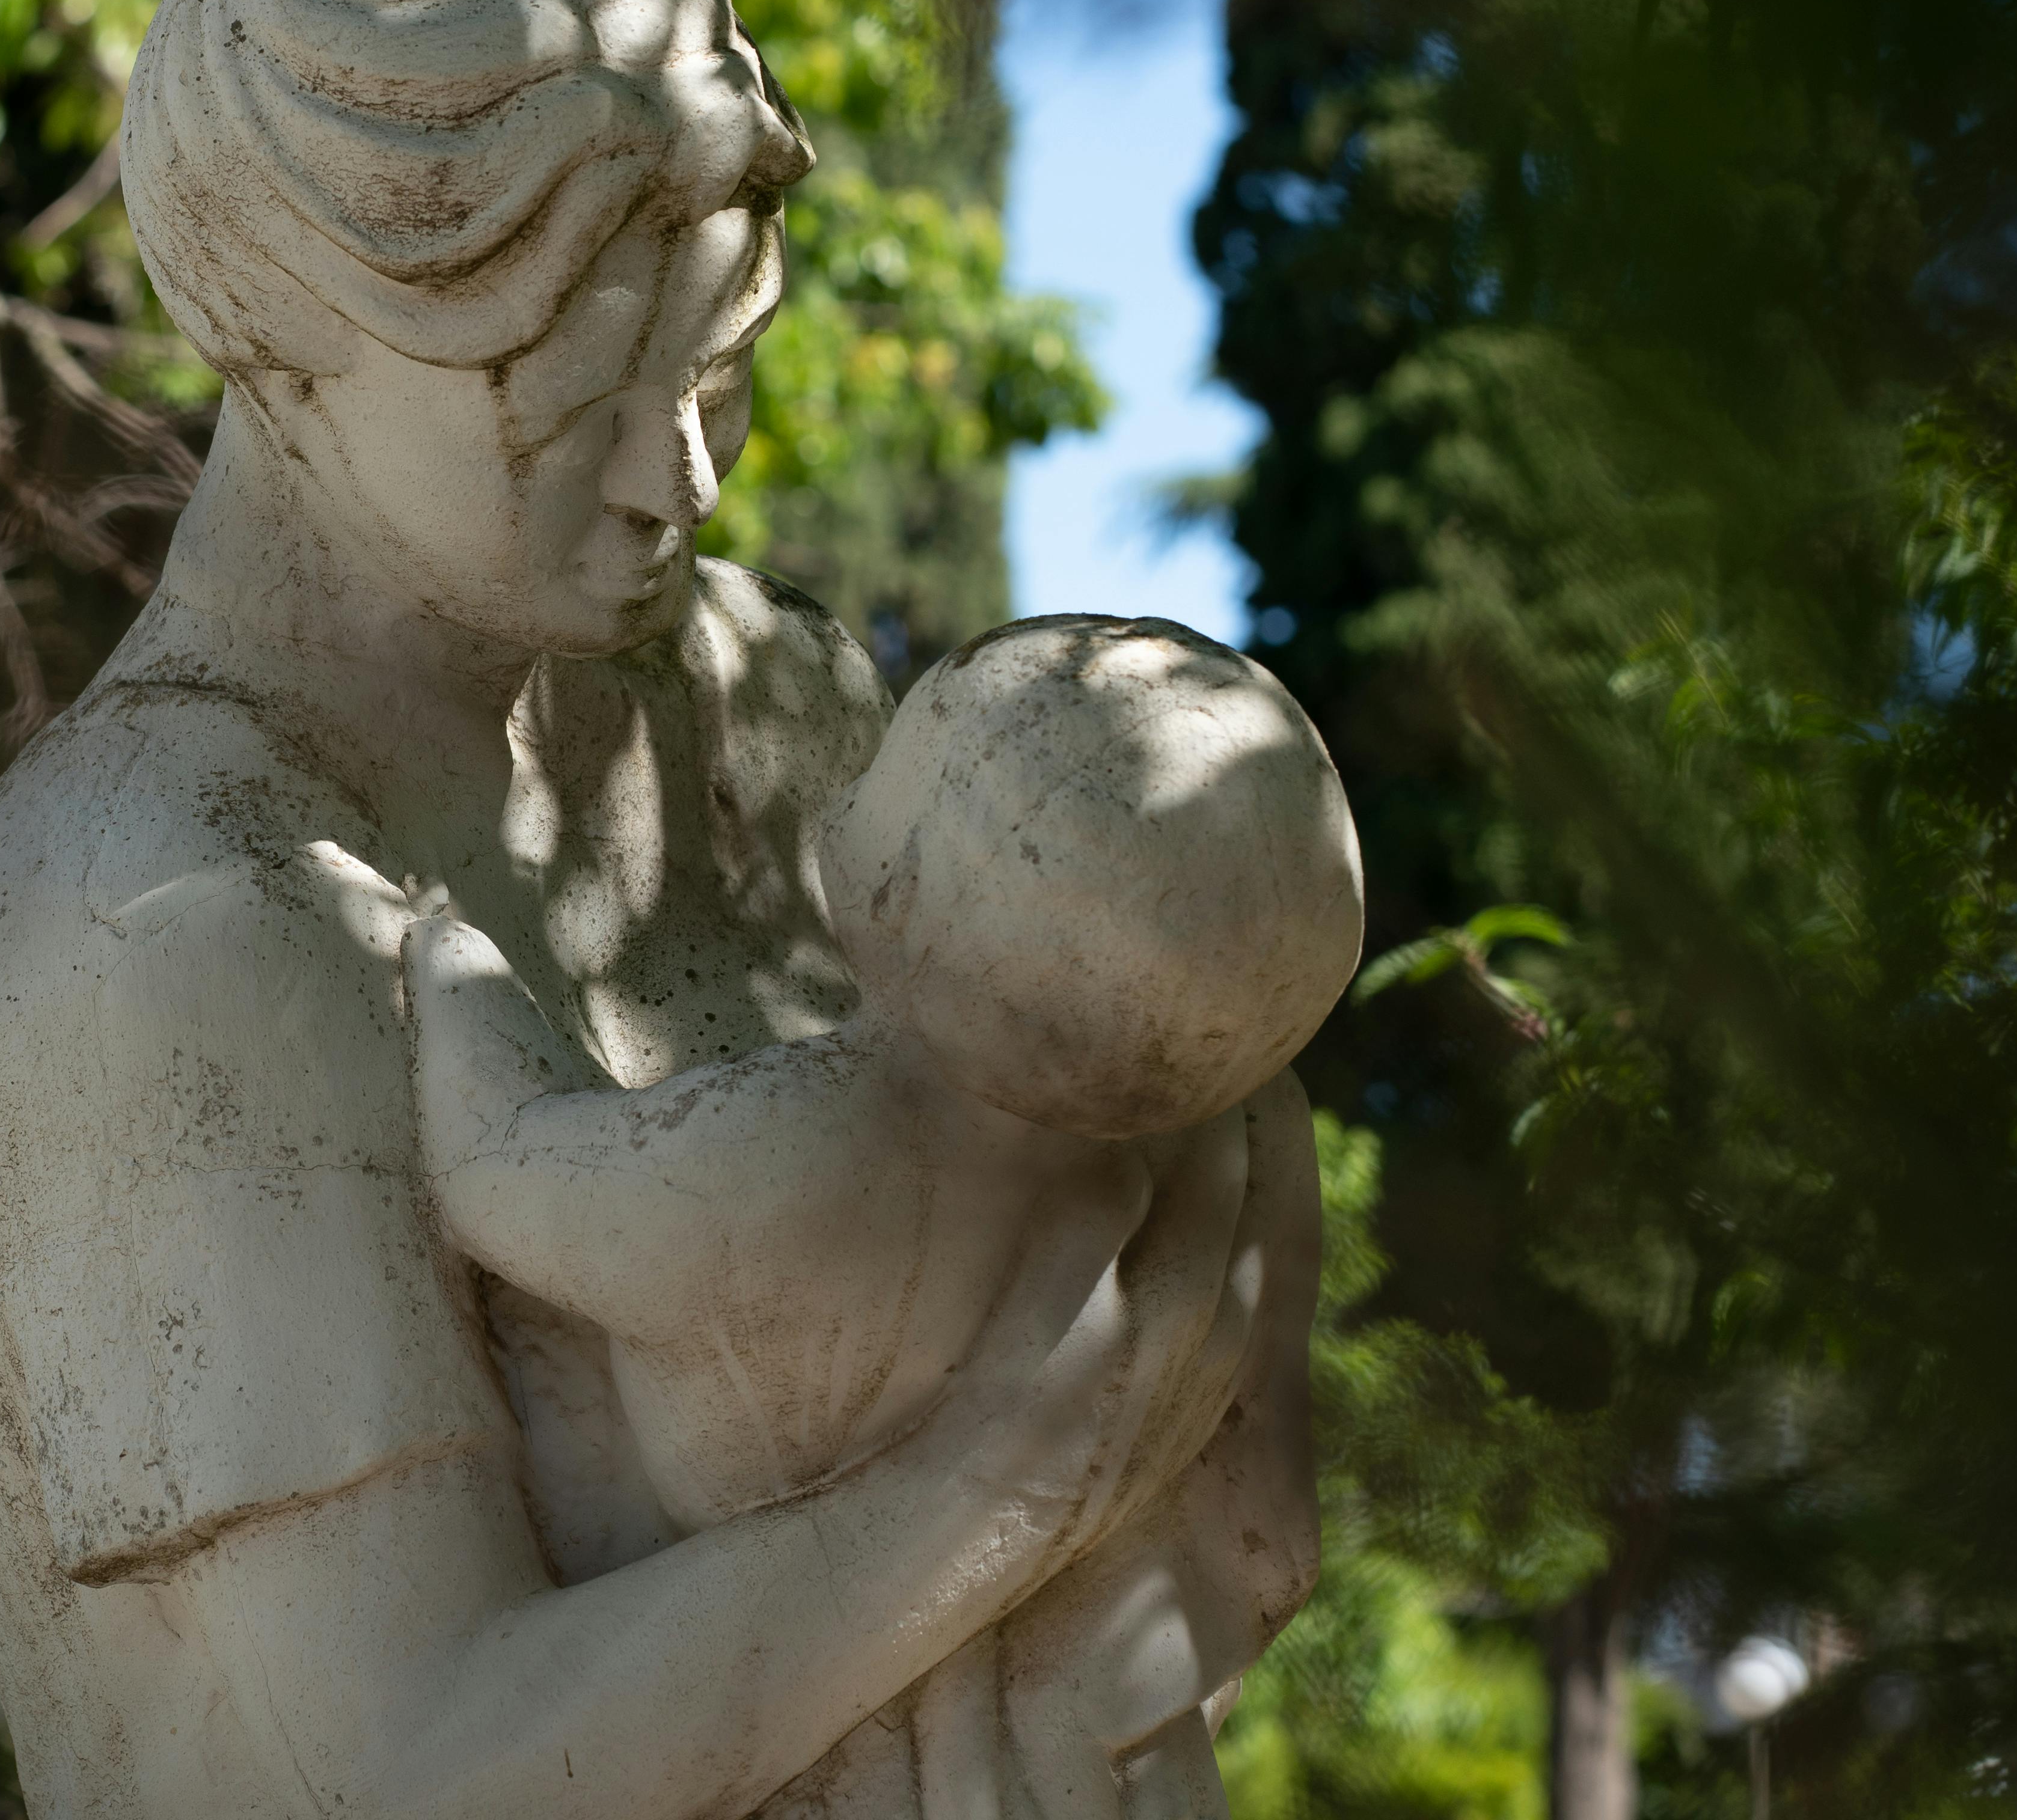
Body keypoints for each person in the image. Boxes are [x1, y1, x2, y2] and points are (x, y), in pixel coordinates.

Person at [0, 0, 1317, 1818]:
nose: (684, 478)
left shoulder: (783, 710)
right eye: (569, 407)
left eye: (719, 378)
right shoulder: (153, 924)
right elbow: (399, 1774)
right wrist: (1014, 1474)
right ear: (275, 342)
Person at [404, 614, 1356, 1812]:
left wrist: (448, 966)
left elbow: (509, 1180)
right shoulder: (1235, 1160)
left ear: (897, 892)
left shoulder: (802, 1150)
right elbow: (1271, 1542)